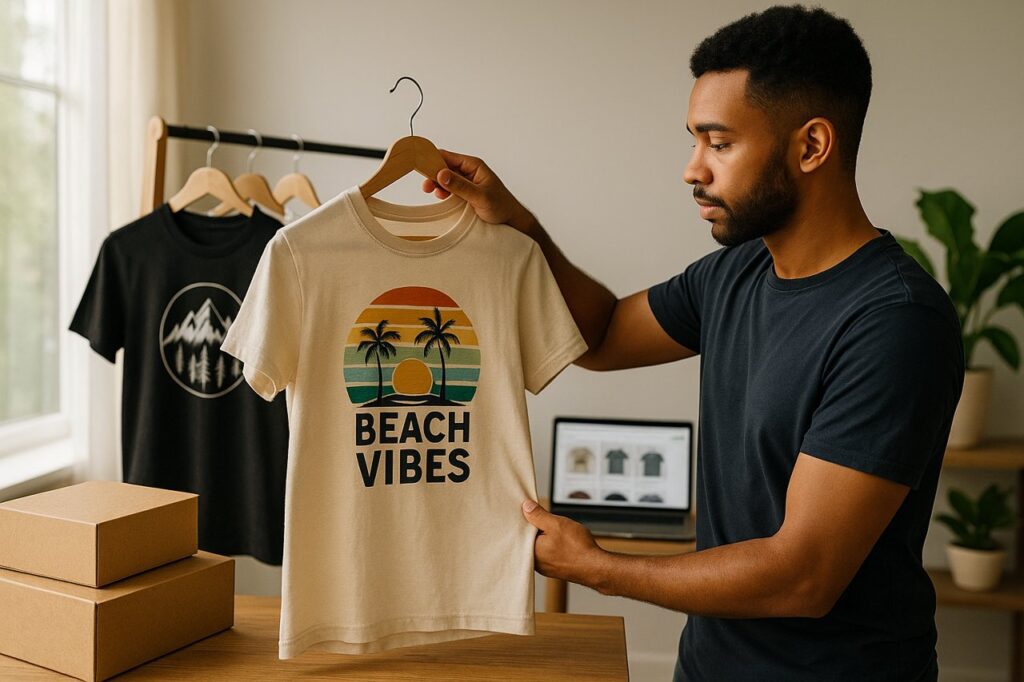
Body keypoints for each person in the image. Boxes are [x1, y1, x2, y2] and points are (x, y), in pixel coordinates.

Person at [422, 5, 964, 680]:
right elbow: (603, 336)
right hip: (709, 666)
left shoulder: (894, 322)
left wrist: (599, 569)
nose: (692, 169)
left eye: (719, 143)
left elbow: (804, 576)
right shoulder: (738, 270)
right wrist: (520, 224)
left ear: (811, 146)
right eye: (694, 140)